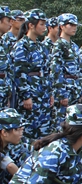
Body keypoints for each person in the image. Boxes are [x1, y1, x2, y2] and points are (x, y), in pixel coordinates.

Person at [10, 12, 54, 140]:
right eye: (41, 24)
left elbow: (46, 71)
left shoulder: (41, 46)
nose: (44, 27)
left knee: (45, 132)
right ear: (31, 25)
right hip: (31, 95)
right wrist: (26, 96)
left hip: (43, 95)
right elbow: (19, 73)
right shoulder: (21, 46)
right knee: (29, 132)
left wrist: (50, 93)